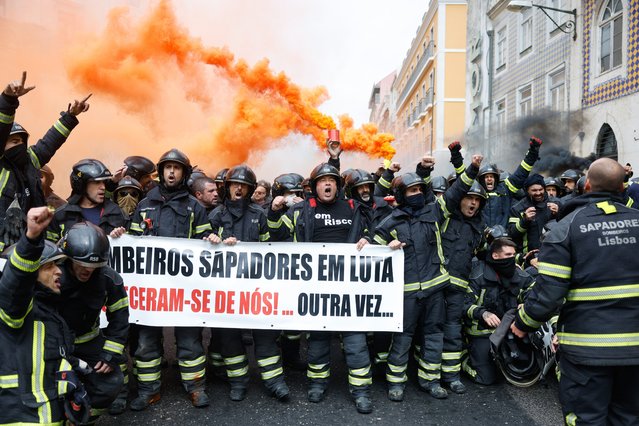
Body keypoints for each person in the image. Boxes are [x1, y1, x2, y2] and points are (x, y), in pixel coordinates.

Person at [511, 158, 639, 424]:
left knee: (587, 419)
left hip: (587, 350)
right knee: (629, 418)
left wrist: (524, 322)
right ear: (622, 186)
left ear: (587, 185)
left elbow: (549, 292)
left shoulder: (565, 229)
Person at [374, 153, 482, 402]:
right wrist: (385, 245)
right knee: (402, 339)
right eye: (411, 191)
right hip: (406, 293)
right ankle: (396, 382)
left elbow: (457, 192)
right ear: (402, 196)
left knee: (434, 337)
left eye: (419, 190)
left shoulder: (435, 211)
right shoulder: (391, 220)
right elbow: (371, 248)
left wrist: (473, 169)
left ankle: (430, 380)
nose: (417, 194)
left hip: (435, 290)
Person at [268, 162, 373, 414]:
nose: (327, 184)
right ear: (314, 187)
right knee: (317, 340)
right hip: (316, 288)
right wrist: (273, 214)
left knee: (355, 341)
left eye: (332, 181)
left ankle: (361, 392)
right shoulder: (301, 211)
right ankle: (317, 384)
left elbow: (374, 231)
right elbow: (277, 235)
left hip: (349, 287)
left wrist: (369, 239)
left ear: (338, 186)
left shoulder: (354, 208)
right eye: (322, 181)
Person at [126, 148, 213, 410]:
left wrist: (210, 240)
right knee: (146, 342)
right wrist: (121, 236)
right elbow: (132, 244)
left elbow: (203, 240)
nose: (171, 172)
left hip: (184, 289)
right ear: (161, 172)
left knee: (189, 341)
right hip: (151, 289)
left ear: (184, 173)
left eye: (176, 168)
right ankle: (148, 390)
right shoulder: (144, 206)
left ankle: (195, 387)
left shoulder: (194, 207)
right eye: (167, 168)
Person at [208, 165, 289, 402]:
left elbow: (271, 248)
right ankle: (238, 382)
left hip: (257, 289)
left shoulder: (260, 215)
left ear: (251, 189)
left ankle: (275, 381)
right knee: (230, 339)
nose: (239, 189)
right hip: (227, 291)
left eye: (243, 185)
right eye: (235, 184)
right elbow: (200, 254)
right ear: (228, 187)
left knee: (265, 337)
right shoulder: (215, 216)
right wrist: (212, 241)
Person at [0, 206, 79, 425]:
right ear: (32, 273)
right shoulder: (17, 310)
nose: (59, 271)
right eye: (50, 266)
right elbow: (14, 284)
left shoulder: (49, 311)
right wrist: (31, 240)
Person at [0, 71, 90, 250]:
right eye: (14, 141)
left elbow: (50, 141)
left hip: (26, 246)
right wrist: (8, 100)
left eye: (22, 142)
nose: (20, 146)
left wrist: (71, 116)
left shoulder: (29, 161)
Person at [57, 221, 129, 423]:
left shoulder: (109, 279)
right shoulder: (52, 275)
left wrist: (109, 355)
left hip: (88, 341)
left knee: (110, 382)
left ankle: (84, 419)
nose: (87, 270)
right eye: (82, 264)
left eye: (93, 266)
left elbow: (120, 319)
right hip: (53, 344)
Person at [463, 238, 534, 385]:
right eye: (508, 255)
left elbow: (534, 292)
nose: (512, 259)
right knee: (486, 378)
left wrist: (527, 304)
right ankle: (464, 358)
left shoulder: (519, 275)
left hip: (511, 331)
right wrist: (483, 313)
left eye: (513, 255)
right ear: (495, 256)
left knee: (525, 366)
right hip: (483, 332)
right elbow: (463, 304)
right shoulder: (478, 275)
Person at [439, 180, 487, 394]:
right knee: (429, 332)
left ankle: (451, 376)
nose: (473, 203)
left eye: (477, 200)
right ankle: (428, 376)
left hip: (458, 289)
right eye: (469, 198)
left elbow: (482, 255)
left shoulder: (479, 228)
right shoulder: (445, 218)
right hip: (435, 285)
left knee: (453, 332)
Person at [47, 159, 126, 241]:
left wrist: (119, 238)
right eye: (97, 182)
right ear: (81, 185)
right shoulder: (61, 215)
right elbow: (50, 249)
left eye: (104, 182)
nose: (103, 187)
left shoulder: (116, 212)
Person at [479, 137, 543, 228]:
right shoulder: (476, 194)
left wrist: (532, 154)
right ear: (481, 180)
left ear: (496, 179)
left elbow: (519, 175)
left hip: (502, 238)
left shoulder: (505, 189)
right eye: (486, 177)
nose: (489, 179)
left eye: (491, 176)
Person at [508, 173, 559, 255]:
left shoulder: (556, 203)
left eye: (541, 189)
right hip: (530, 255)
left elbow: (568, 227)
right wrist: (524, 221)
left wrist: (559, 213)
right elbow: (512, 233)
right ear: (527, 191)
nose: (538, 193)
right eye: (534, 190)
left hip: (554, 251)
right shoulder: (517, 208)